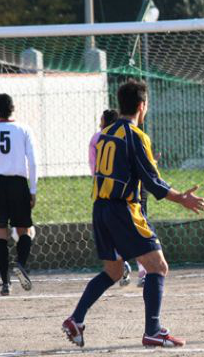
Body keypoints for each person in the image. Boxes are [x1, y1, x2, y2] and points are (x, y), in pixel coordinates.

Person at [62, 79, 204, 348]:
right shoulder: (135, 135)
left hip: (100, 208)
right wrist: (181, 199)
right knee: (158, 267)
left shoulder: (106, 132)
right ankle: (153, 330)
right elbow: (153, 183)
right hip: (123, 209)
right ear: (143, 106)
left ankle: (76, 319)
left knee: (114, 272)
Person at [0, 93, 37, 296]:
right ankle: (20, 264)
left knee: (1, 233)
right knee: (24, 230)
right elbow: (33, 161)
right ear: (13, 108)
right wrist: (33, 190)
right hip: (18, 183)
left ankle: (5, 284)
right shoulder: (23, 129)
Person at [88, 109, 136, 287]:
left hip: (104, 194)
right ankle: (135, 269)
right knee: (139, 233)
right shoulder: (126, 136)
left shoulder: (97, 138)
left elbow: (94, 167)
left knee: (117, 236)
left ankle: (124, 266)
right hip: (126, 193)